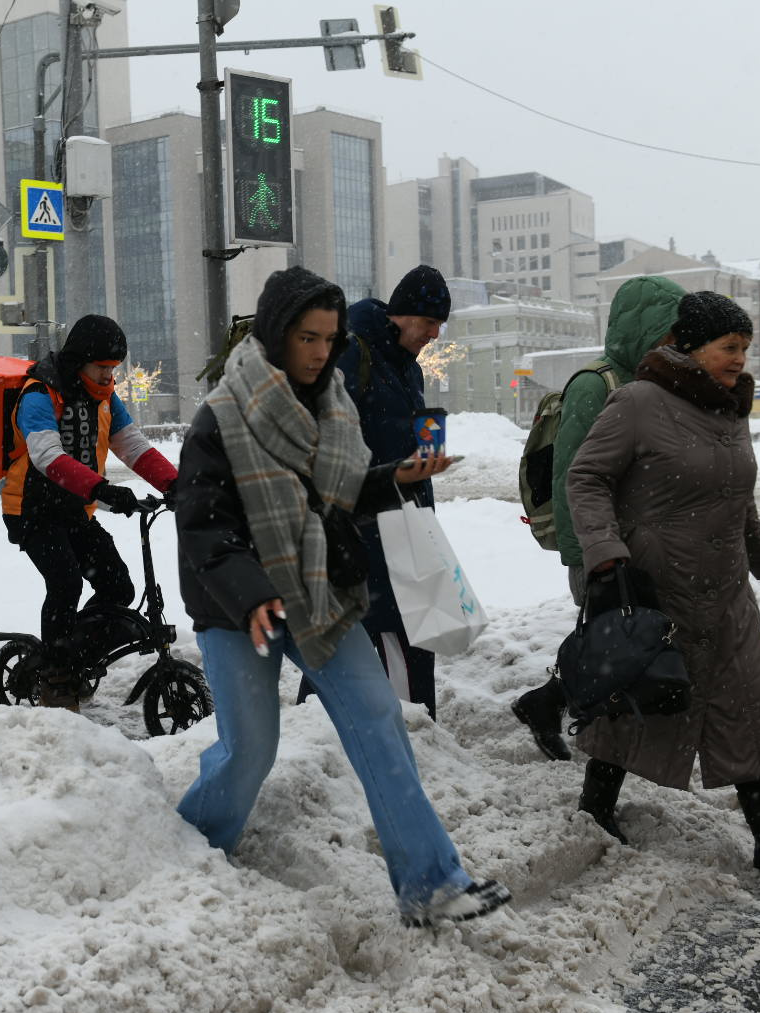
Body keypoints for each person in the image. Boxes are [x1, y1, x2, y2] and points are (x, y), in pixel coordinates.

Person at [175, 265, 511, 926]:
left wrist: (396, 478)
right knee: (250, 751)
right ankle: (190, 848)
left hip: (317, 593)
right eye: (307, 337)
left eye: (329, 338)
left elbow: (338, 497)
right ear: (276, 334)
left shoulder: (333, 405)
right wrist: (250, 596)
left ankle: (431, 883)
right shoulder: (222, 416)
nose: (321, 351)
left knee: (378, 718)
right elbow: (203, 524)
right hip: (237, 608)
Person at [564, 291, 760, 891]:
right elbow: (586, 476)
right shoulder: (637, 402)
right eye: (728, 347)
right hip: (659, 590)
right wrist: (605, 551)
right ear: (689, 346)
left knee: (752, 711)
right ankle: (597, 809)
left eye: (744, 347)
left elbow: (738, 495)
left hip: (727, 593)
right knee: (639, 700)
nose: (740, 358)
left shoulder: (730, 410)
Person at [509, 276, 687, 760]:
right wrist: (585, 557)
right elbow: (573, 477)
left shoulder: (656, 383)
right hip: (603, 547)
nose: (677, 344)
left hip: (643, 543)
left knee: (620, 644)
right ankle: (596, 741)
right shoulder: (597, 385)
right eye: (668, 333)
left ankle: (547, 705)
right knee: (615, 644)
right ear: (644, 329)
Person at [0, 314, 178, 710]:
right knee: (65, 583)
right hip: (31, 511)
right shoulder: (39, 395)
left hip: (76, 511)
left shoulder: (105, 399)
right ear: (79, 361)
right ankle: (56, 675)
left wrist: (176, 484)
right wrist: (102, 489)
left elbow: (133, 445)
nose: (108, 376)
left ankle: (75, 652)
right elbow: (47, 456)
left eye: (114, 369)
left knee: (118, 588)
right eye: (101, 367)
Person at [336, 265, 451, 718]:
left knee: (406, 634)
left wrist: (425, 447)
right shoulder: (352, 353)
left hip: (409, 521)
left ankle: (409, 733)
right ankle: (406, 735)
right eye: (428, 323)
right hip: (367, 528)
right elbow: (330, 441)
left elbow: (393, 434)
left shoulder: (408, 369)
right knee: (384, 636)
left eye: (440, 324)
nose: (435, 334)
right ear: (401, 315)